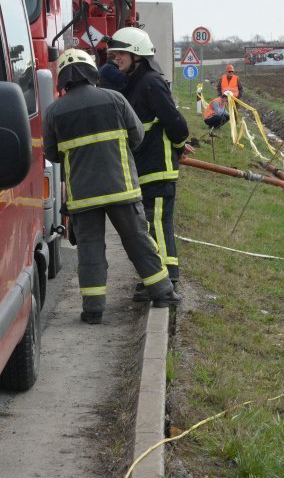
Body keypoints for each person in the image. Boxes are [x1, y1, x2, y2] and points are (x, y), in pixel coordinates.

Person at [42, 49, 182, 324]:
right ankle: (163, 291)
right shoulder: (115, 98)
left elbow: (51, 153)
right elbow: (138, 135)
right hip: (122, 188)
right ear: (91, 71)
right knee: (138, 240)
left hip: (83, 195)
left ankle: (93, 310)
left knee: (90, 249)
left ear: (64, 79)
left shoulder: (54, 112)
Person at [107, 27, 194, 298]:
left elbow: (175, 123)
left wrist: (179, 146)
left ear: (137, 55)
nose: (115, 58)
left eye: (121, 53)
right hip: (148, 167)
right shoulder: (135, 82)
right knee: (155, 224)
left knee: (157, 223)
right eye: (114, 54)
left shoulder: (150, 82)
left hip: (158, 167)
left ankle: (166, 283)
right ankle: (160, 278)